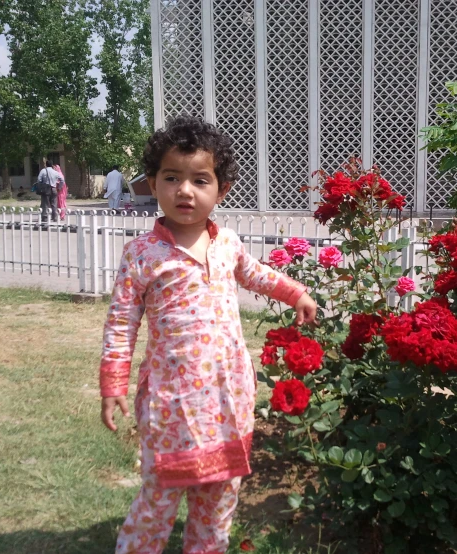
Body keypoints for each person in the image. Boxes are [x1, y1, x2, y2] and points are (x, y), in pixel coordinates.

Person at [99, 115, 317, 554]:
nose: (184, 190)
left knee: (218, 500)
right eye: (171, 177)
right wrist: (112, 383)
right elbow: (121, 322)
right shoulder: (142, 254)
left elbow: (256, 275)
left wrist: (296, 293)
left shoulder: (228, 243)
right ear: (153, 183)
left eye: (200, 179)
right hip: (171, 405)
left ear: (222, 189)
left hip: (226, 400)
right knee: (158, 497)